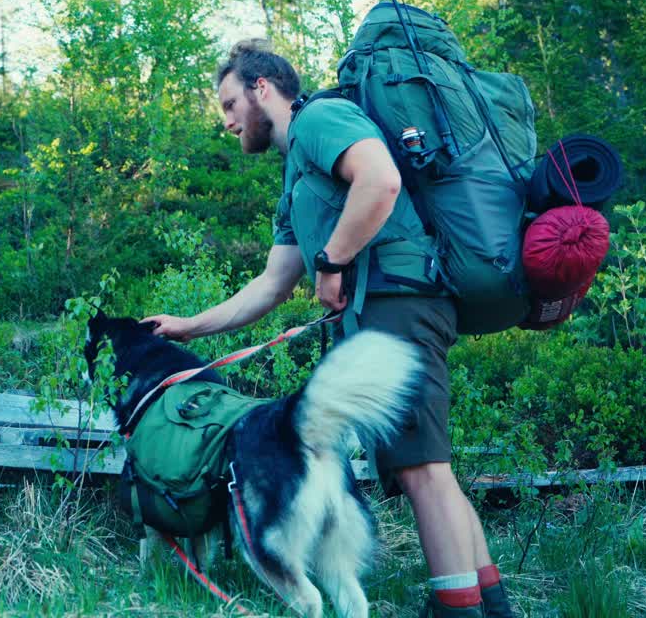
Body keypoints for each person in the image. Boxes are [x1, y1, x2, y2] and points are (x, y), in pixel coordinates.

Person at [142, 39, 516, 618]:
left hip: (400, 303)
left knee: (421, 469)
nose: (227, 121)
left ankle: (457, 608)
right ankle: (489, 603)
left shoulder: (320, 118)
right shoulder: (297, 172)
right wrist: (189, 327)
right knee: (428, 467)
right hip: (386, 309)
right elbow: (271, 284)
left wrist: (334, 260)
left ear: (261, 88)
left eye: (229, 104)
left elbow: (381, 180)